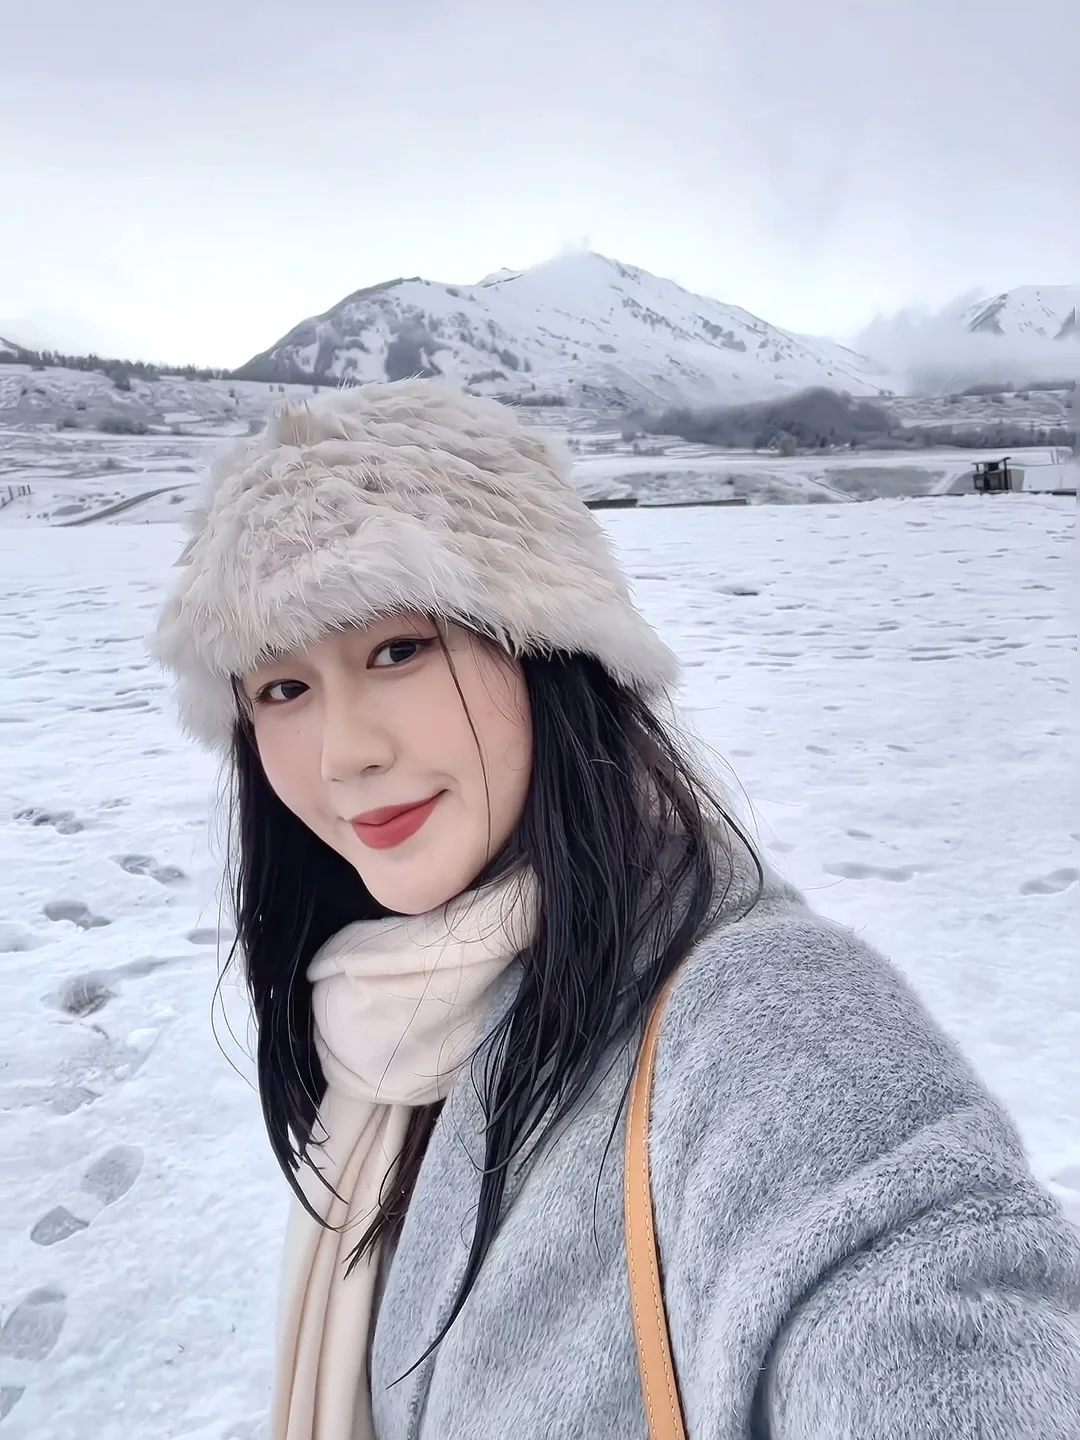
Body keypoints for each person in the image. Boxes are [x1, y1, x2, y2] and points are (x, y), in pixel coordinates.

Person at [153, 379, 1080, 1440]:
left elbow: (925, 1291)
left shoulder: (762, 1011)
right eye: (282, 689)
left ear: (552, 653)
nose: (342, 754)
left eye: (398, 649)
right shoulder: (379, 1026)